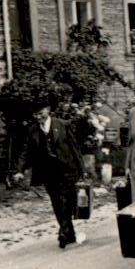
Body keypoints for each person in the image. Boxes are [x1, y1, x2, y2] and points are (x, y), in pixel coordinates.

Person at [14, 98, 87, 249]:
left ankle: (64, 230)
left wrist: (82, 170)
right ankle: (69, 233)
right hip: (48, 173)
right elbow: (25, 152)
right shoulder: (33, 130)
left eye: (40, 113)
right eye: (35, 114)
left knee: (66, 200)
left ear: (48, 110)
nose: (38, 117)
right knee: (56, 202)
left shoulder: (63, 125)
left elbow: (75, 149)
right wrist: (20, 171)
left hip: (67, 170)